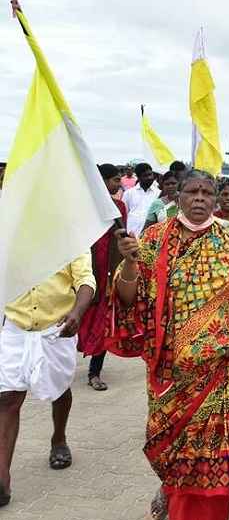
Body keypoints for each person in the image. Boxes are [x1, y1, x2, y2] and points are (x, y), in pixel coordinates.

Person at [110, 170, 229, 520]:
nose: (199, 198)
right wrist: (130, 263)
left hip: (218, 370)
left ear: (215, 199)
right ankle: (171, 491)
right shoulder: (154, 238)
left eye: (206, 192)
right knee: (174, 450)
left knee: (212, 454)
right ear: (177, 196)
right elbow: (129, 301)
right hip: (170, 373)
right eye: (192, 191)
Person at [0, 254, 95, 507]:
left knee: (60, 389)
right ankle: (2, 478)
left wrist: (77, 311)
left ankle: (59, 439)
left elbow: (86, 279)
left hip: (58, 325)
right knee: (8, 397)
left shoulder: (70, 232)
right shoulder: (8, 231)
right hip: (15, 325)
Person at [77, 164, 128, 391]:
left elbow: (121, 238)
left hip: (108, 272)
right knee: (77, 318)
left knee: (103, 324)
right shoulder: (84, 207)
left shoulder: (119, 207)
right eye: (115, 180)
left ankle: (94, 372)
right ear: (103, 181)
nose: (119, 184)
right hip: (84, 271)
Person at [122, 163, 160, 237]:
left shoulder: (158, 193)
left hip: (151, 236)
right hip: (132, 234)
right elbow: (124, 214)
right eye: (145, 175)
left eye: (150, 174)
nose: (149, 178)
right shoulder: (129, 193)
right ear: (138, 177)